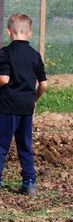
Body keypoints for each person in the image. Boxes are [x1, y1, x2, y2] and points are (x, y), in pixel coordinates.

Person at [0, 13, 48, 195]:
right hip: (26, 108)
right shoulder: (35, 55)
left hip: (6, 107)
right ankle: (29, 182)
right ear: (29, 34)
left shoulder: (4, 53)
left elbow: (4, 79)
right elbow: (43, 84)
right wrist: (33, 100)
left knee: (1, 145)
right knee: (25, 146)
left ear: (8, 32)